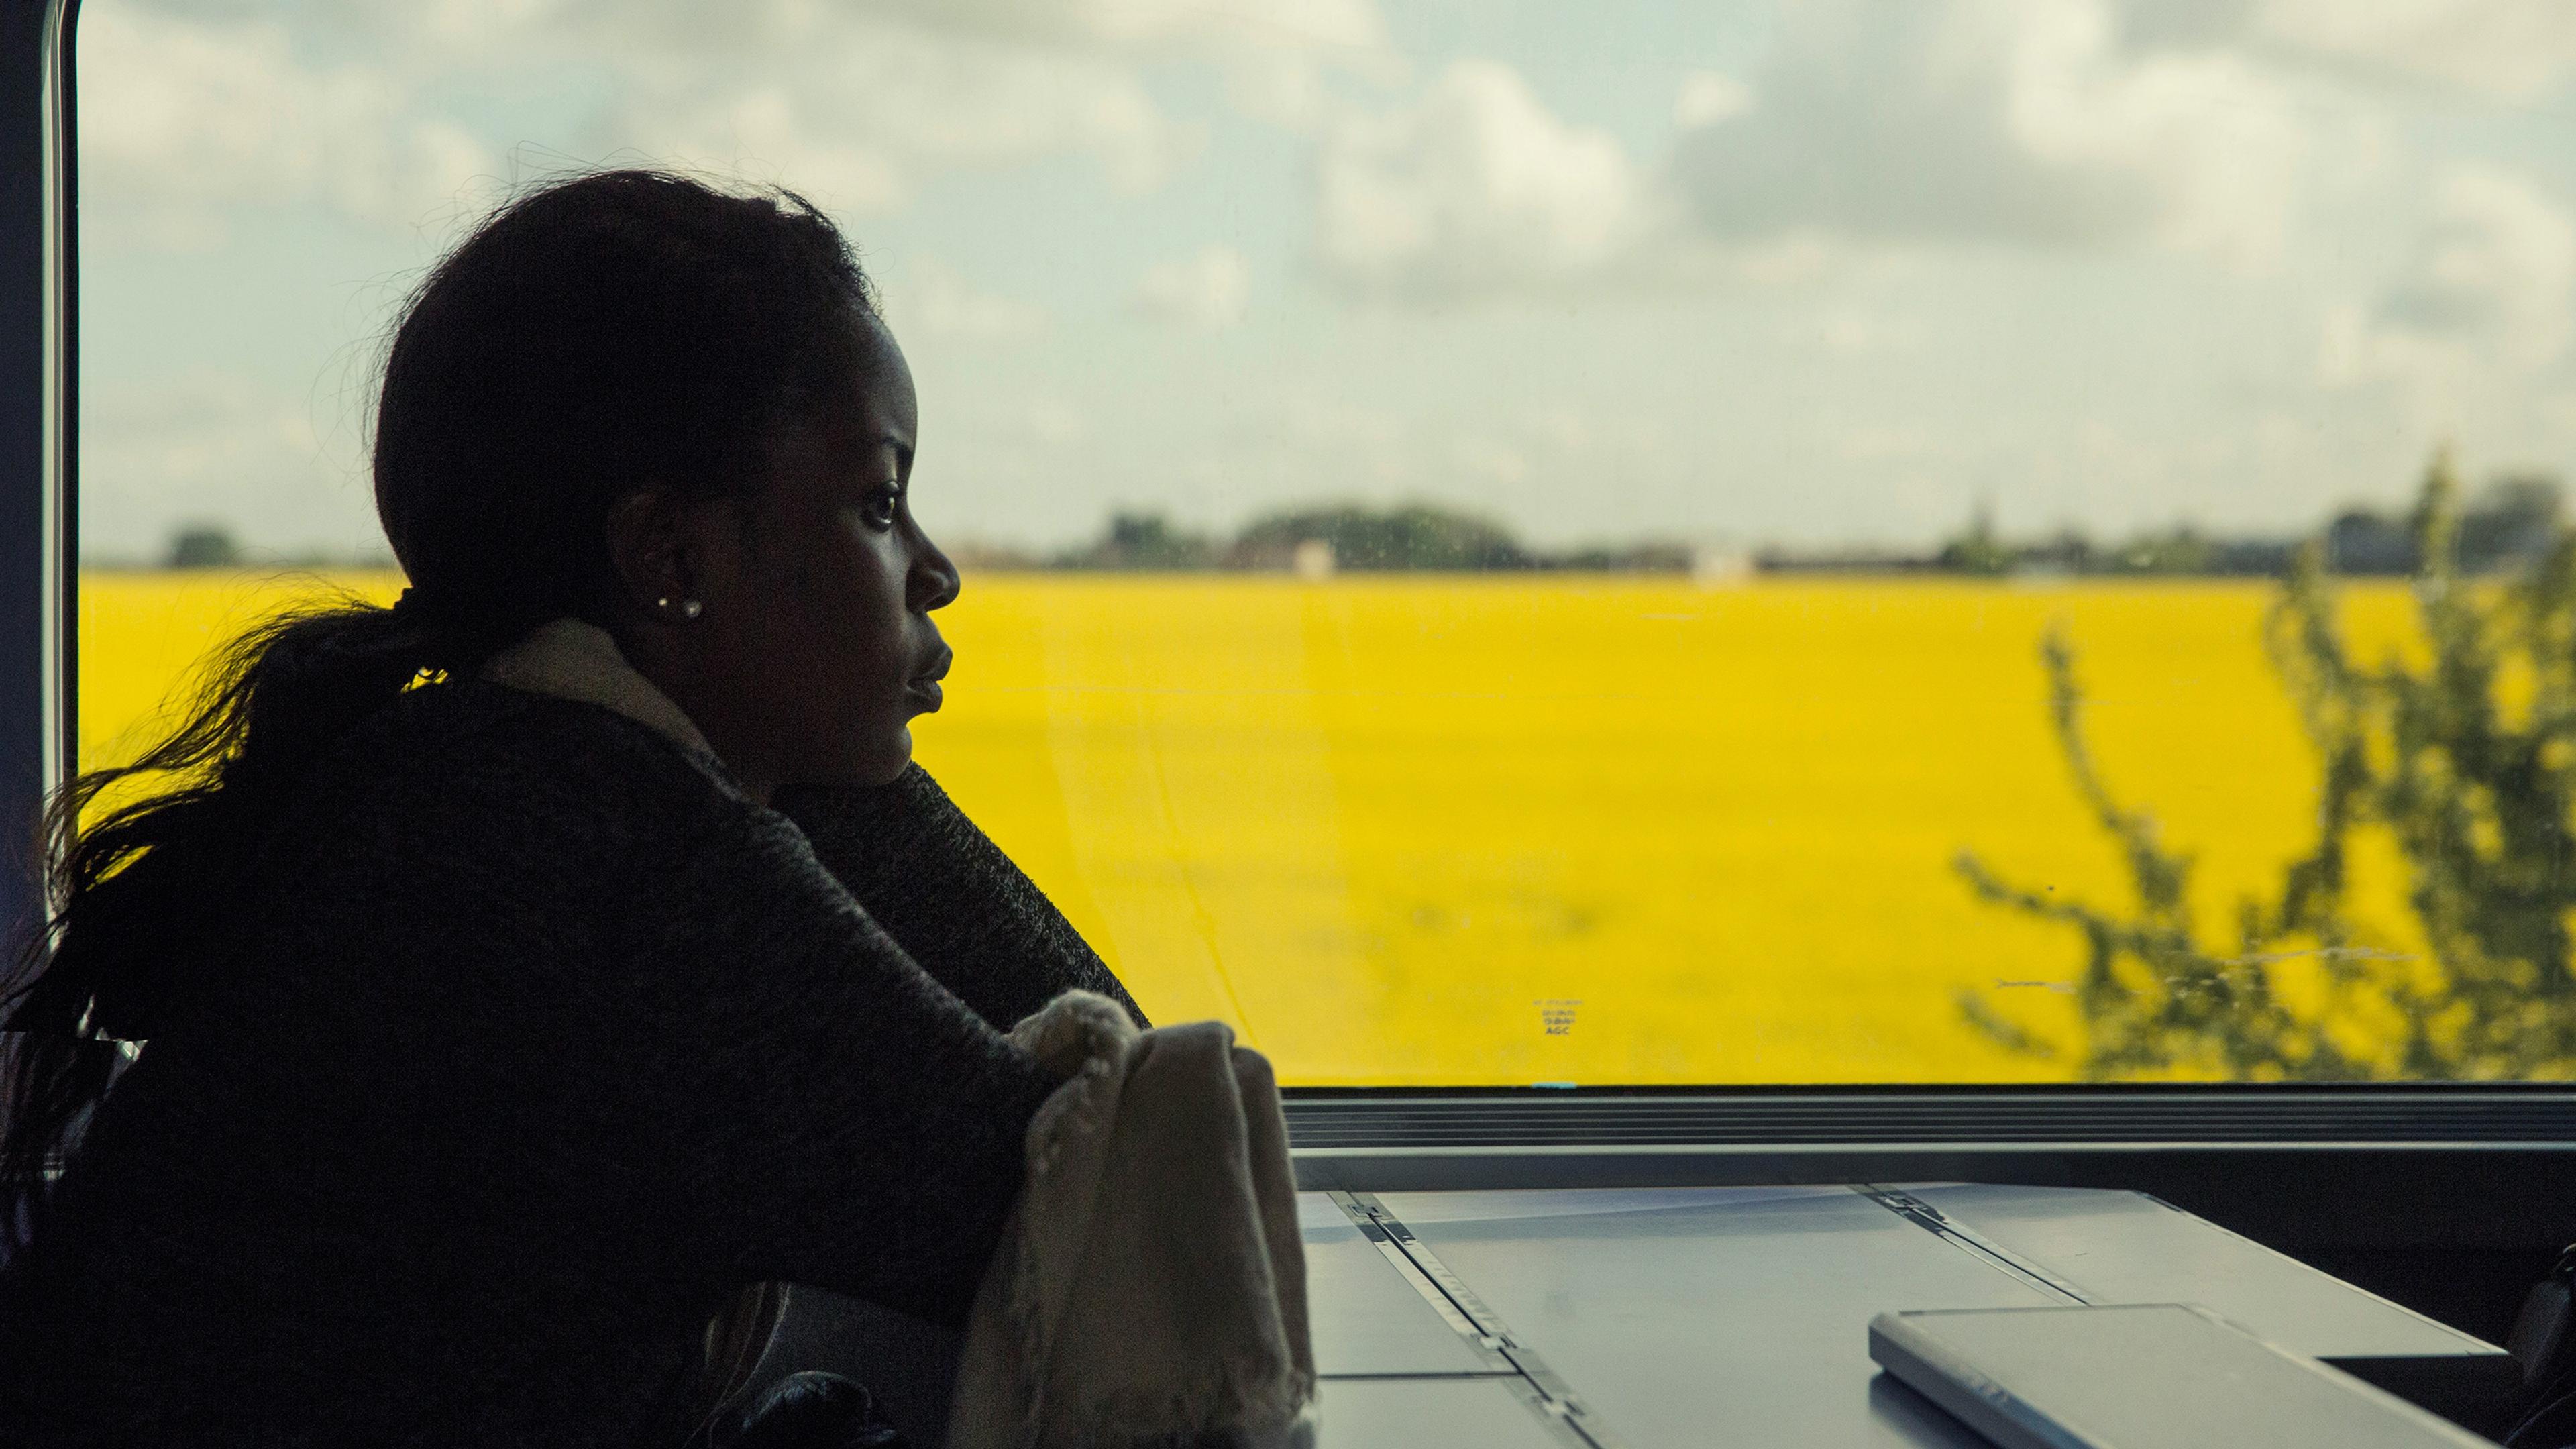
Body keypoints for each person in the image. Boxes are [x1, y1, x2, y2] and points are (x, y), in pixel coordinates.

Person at [0, 168, 1142, 1446]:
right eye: (878, 504)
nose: (934, 571)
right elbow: (1134, 1218)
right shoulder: (598, 851)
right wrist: (851, 777)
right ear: (670, 559)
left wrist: (800, 743)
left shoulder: (485, 769)